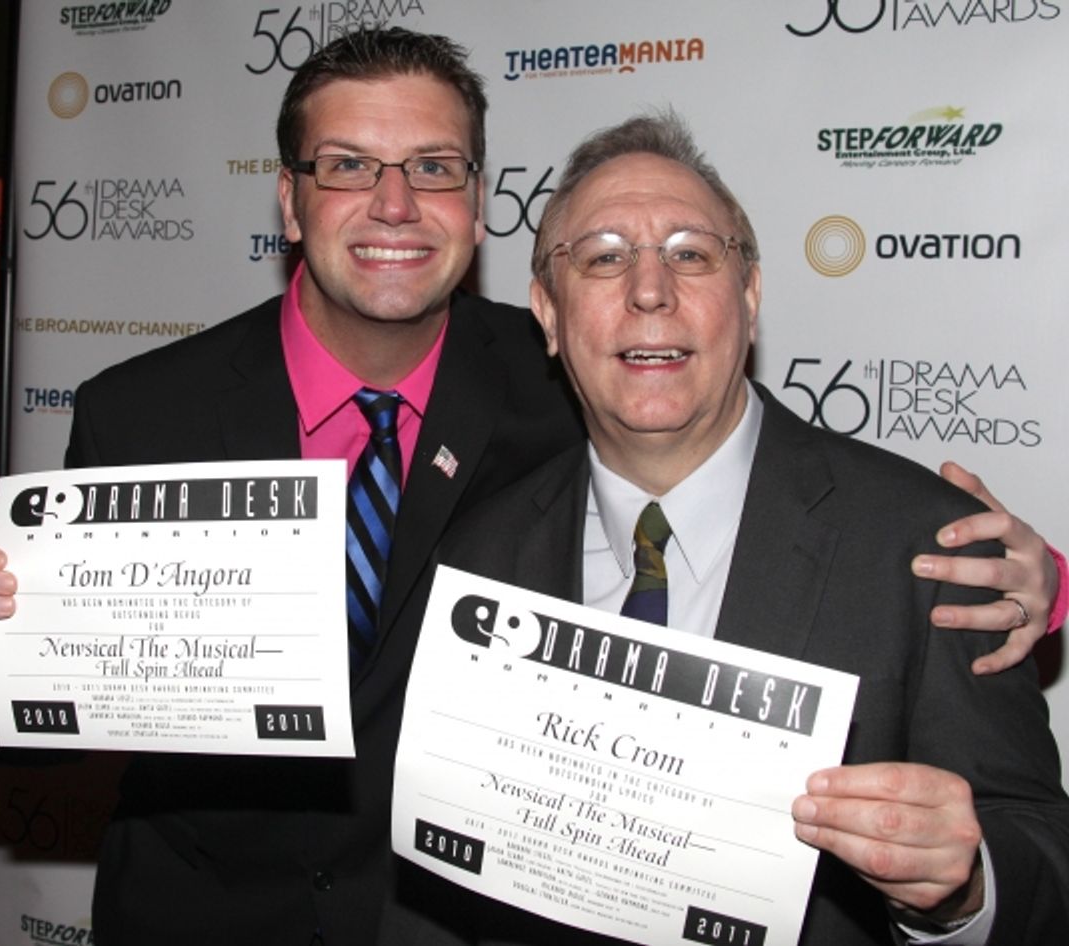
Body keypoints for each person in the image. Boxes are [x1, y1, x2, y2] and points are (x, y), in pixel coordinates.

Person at [0, 27, 1063, 946]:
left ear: (478, 202)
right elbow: (43, 704)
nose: (394, 206)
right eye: (349, 167)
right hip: (202, 914)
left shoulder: (567, 374)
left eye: (432, 167)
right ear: (288, 199)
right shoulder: (144, 409)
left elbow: (741, 462)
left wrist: (1030, 580)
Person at [434, 112, 1069, 944]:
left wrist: (965, 888)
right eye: (603, 258)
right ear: (549, 316)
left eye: (691, 253)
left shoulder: (928, 548)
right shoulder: (480, 556)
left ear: (751, 295)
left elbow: (1042, 863)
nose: (650, 289)